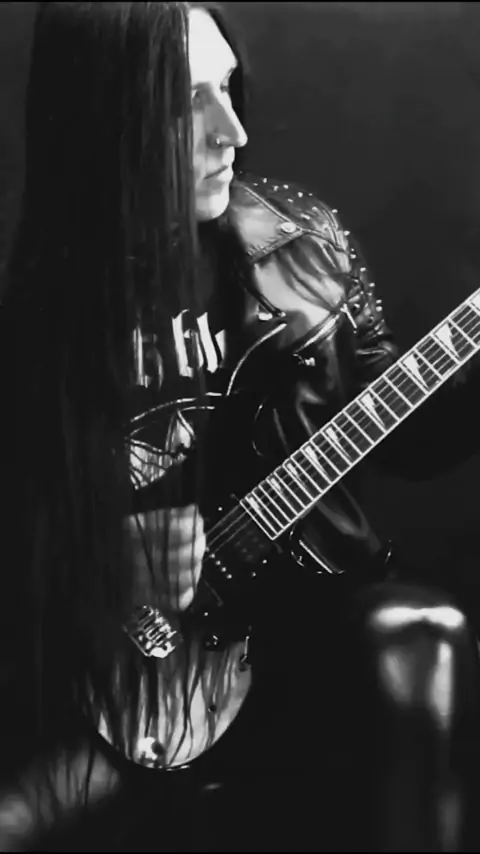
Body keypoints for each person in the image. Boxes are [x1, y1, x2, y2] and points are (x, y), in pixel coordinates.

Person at [2, 2, 480, 851]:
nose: (234, 133)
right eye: (188, 101)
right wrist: (98, 559)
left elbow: (408, 439)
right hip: (135, 685)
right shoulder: (45, 315)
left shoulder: (304, 245)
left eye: (229, 88)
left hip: (311, 632)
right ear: (105, 116)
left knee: (419, 639)